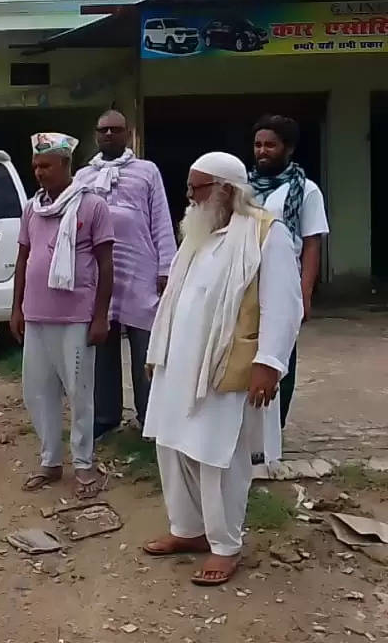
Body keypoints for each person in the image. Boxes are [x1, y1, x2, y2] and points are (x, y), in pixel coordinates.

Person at [142, 152, 302, 587]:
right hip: (179, 368)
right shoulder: (199, 233)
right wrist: (158, 354)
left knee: (218, 456)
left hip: (225, 368)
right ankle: (187, 530)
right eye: (190, 190)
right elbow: (176, 298)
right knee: (173, 448)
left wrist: (269, 363)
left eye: (198, 189)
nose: (190, 198)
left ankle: (225, 546)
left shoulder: (268, 235)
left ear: (226, 191)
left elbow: (284, 306)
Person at [12, 133, 114, 499]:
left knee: (79, 392)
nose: (39, 173)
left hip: (76, 317)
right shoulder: (32, 208)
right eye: (36, 166)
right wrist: (17, 308)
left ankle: (84, 464)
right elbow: (24, 258)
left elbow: (105, 264)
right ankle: (50, 461)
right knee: (37, 393)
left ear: (66, 166)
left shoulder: (91, 206)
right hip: (37, 315)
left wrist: (100, 316)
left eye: (46, 166)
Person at [75, 110, 177, 438]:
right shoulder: (83, 177)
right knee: (101, 347)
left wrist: (166, 267)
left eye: (115, 130)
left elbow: (160, 218)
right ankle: (105, 417)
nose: (108, 135)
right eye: (103, 130)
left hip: (141, 271)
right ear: (95, 134)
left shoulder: (147, 171)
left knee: (146, 347)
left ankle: (151, 418)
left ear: (127, 133)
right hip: (98, 275)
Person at [249, 114, 328, 429]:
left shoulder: (306, 190)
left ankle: (273, 429)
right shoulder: (243, 187)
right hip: (245, 282)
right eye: (257, 145)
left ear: (288, 149)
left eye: (270, 145)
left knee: (280, 355)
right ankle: (247, 427)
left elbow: (311, 244)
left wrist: (304, 293)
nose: (262, 151)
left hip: (284, 285)